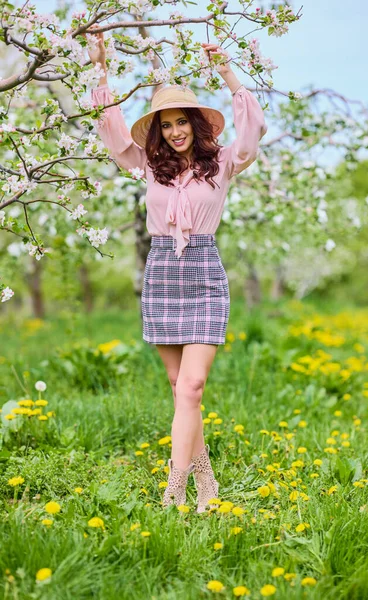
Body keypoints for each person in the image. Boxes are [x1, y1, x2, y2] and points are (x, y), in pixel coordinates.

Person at [86, 27, 267, 512]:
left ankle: (174, 492)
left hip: (205, 270)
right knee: (178, 389)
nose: (174, 131)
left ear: (196, 124)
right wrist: (100, 65)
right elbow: (112, 133)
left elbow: (253, 129)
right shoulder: (149, 166)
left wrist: (228, 71)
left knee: (192, 386)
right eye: (165, 125)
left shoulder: (225, 162)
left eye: (181, 121)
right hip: (163, 270)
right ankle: (206, 481)